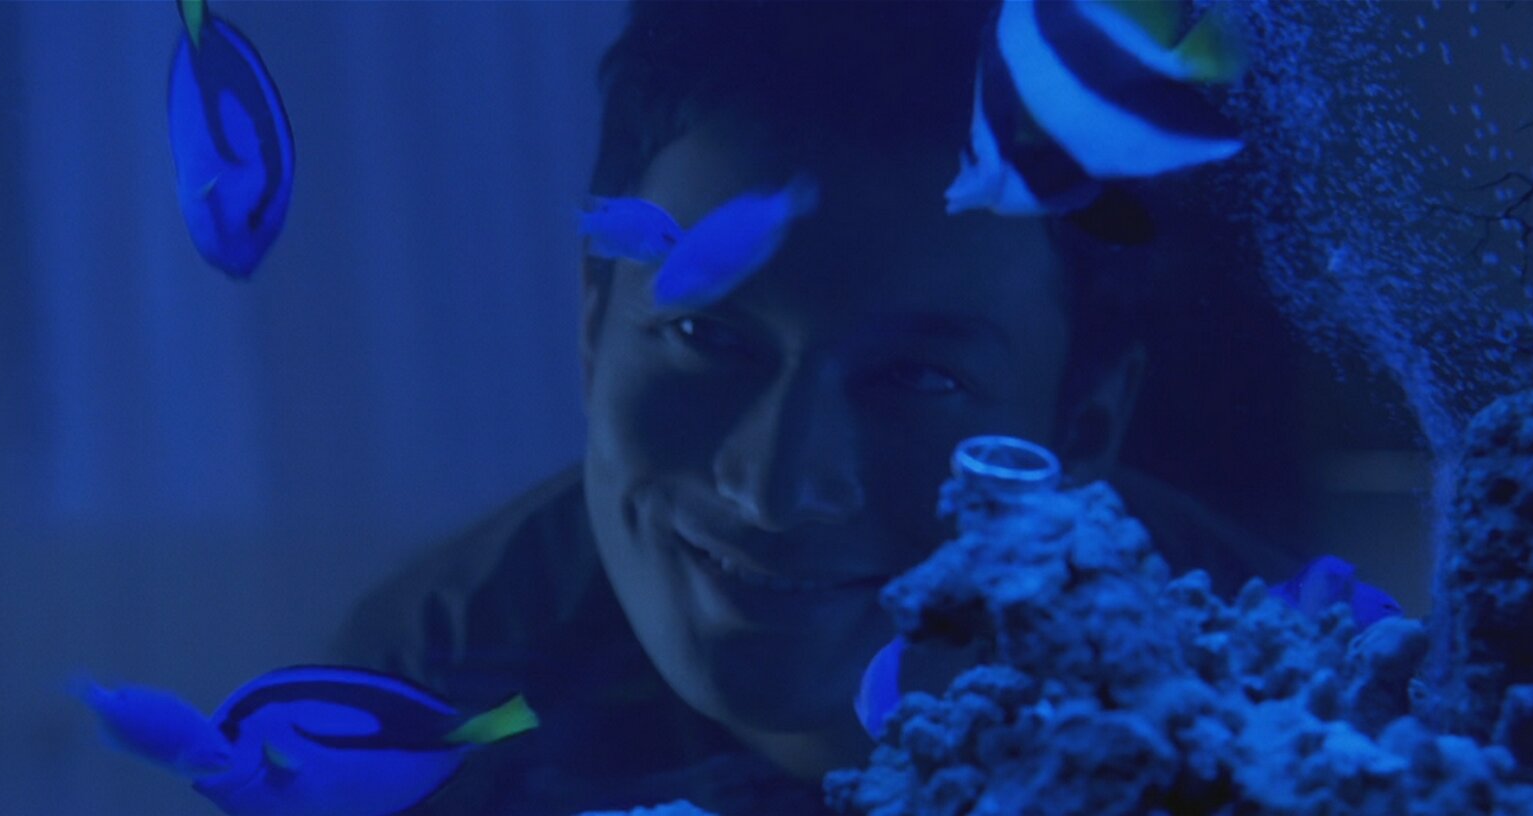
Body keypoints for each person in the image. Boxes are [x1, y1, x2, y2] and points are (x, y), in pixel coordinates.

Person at [332, 3, 1305, 813]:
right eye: (707, 335)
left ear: (1081, 427)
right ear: (593, 324)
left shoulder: (1276, 698)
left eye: (916, 379)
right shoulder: (429, 690)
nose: (775, 487)